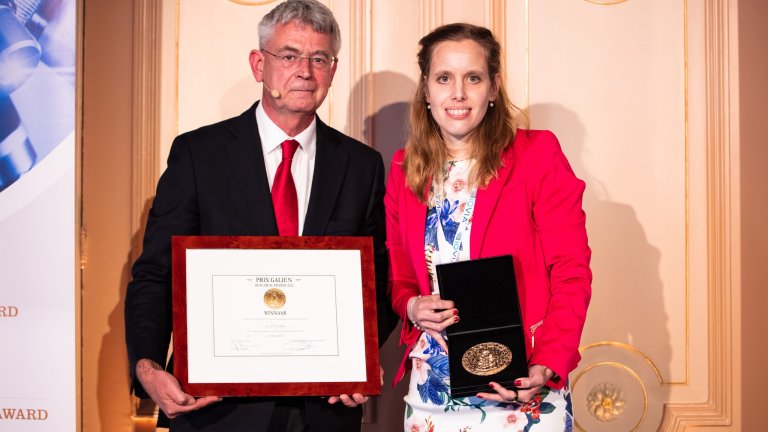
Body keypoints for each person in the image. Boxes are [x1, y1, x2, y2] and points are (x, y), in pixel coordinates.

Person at [124, 1, 395, 431]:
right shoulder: (199, 155)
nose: (304, 70)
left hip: (323, 409)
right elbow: (156, 275)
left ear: (332, 70)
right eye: (288, 56)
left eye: (318, 58)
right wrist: (147, 368)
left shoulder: (362, 166)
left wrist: (358, 356)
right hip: (214, 409)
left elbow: (379, 279)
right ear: (259, 64)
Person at [385, 23, 592, 431]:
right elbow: (399, 272)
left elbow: (572, 271)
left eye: (473, 78)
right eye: (444, 78)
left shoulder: (538, 155)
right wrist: (411, 305)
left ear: (493, 88)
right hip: (433, 389)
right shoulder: (403, 167)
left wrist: (547, 363)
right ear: (426, 90)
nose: (457, 93)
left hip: (521, 383)